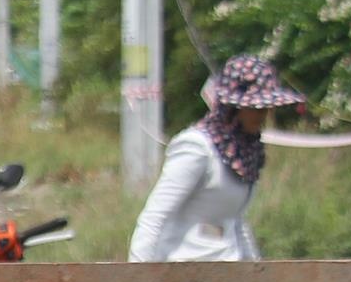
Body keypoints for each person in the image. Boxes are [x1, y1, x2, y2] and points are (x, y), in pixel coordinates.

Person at [128, 54, 302, 263]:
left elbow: (235, 222)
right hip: (180, 269)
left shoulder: (245, 155)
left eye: (265, 108)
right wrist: (137, 278)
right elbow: (155, 216)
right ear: (233, 108)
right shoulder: (197, 147)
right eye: (254, 109)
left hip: (227, 270)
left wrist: (258, 277)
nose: (262, 115)